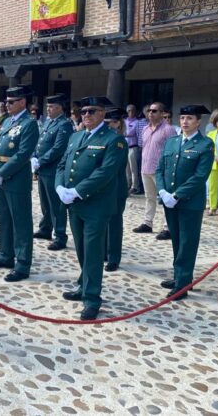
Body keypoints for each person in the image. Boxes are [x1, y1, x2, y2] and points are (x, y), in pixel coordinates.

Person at [55, 96, 126, 320]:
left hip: (96, 205)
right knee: (81, 249)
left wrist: (77, 191)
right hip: (74, 204)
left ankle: (92, 298)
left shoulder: (114, 140)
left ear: (103, 114)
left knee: (94, 252)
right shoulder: (76, 136)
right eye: (83, 111)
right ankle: (83, 286)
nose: (86, 115)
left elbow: (105, 172)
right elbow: (63, 163)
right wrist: (59, 187)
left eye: (92, 111)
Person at [156, 105, 214, 300]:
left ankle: (182, 285)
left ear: (198, 121)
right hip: (169, 200)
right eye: (182, 118)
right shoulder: (171, 142)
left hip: (189, 202)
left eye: (189, 118)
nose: (185, 122)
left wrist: (177, 195)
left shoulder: (205, 144)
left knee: (188, 243)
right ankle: (180, 276)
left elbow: (199, 176)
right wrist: (163, 191)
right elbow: (160, 169)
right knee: (177, 240)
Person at [0, 86, 39, 282]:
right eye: (6, 101)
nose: (7, 105)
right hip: (1, 178)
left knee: (21, 222)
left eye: (11, 102)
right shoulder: (8, 121)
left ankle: (23, 263)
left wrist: (2, 172)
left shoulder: (29, 123)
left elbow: (23, 154)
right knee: (4, 219)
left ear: (22, 102)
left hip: (16, 179)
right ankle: (5, 254)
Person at [31, 94, 73, 251]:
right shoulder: (48, 122)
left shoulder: (64, 125)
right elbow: (40, 142)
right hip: (43, 169)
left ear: (60, 108)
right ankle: (45, 228)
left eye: (51, 107)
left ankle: (60, 236)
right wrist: (35, 157)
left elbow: (58, 148)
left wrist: (40, 160)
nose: (48, 109)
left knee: (56, 205)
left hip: (54, 169)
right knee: (45, 202)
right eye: (47, 106)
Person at [132, 102, 175, 240]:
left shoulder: (169, 130)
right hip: (145, 168)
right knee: (149, 198)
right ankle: (147, 223)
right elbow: (142, 147)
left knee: (165, 199)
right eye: (149, 110)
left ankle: (167, 227)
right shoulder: (145, 129)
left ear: (162, 113)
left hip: (160, 171)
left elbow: (173, 151)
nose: (151, 113)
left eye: (154, 111)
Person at [104, 108, 129, 271]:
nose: (109, 125)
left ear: (119, 123)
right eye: (106, 123)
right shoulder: (106, 139)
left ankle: (114, 257)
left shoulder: (119, 141)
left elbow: (112, 167)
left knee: (114, 223)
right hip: (104, 188)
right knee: (103, 221)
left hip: (116, 188)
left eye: (112, 122)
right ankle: (104, 251)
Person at [125, 104, 142, 194]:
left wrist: (125, 133)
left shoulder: (137, 122)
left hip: (133, 147)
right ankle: (127, 184)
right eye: (129, 111)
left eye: (132, 110)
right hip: (125, 147)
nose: (131, 113)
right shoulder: (124, 121)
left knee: (133, 168)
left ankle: (135, 186)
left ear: (135, 112)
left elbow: (130, 133)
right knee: (126, 168)